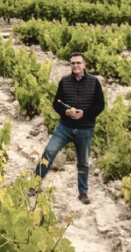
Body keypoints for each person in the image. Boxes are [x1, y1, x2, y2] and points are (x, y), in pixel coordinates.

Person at [32, 52, 104, 204]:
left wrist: (84, 114)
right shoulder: (64, 82)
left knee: (83, 161)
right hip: (65, 127)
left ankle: (83, 193)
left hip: (85, 128)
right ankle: (34, 184)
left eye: (78, 63)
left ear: (84, 65)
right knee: (49, 152)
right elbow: (56, 103)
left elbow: (100, 105)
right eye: (72, 63)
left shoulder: (94, 82)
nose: (75, 66)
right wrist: (65, 111)